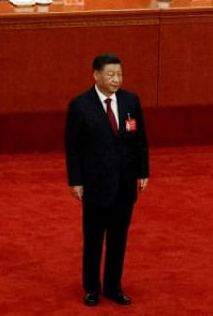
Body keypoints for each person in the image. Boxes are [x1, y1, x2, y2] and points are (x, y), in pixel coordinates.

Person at [65, 53, 149, 308]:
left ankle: (113, 287)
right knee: (93, 240)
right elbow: (73, 147)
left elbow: (140, 140)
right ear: (96, 75)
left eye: (120, 74)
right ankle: (92, 288)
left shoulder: (131, 101)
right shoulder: (80, 105)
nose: (116, 79)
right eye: (111, 75)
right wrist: (75, 180)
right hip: (95, 184)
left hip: (124, 184)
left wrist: (143, 172)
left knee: (118, 239)